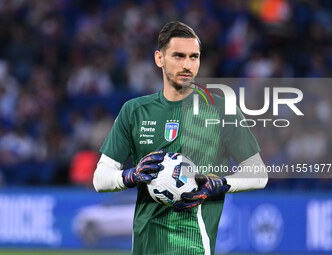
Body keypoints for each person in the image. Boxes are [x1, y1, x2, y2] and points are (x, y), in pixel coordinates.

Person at [93, 21, 268, 255]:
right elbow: (100, 178)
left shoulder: (222, 110)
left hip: (194, 247)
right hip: (145, 247)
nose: (187, 65)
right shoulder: (134, 111)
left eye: (194, 57)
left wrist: (222, 184)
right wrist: (130, 175)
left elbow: (259, 173)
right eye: (178, 56)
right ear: (159, 58)